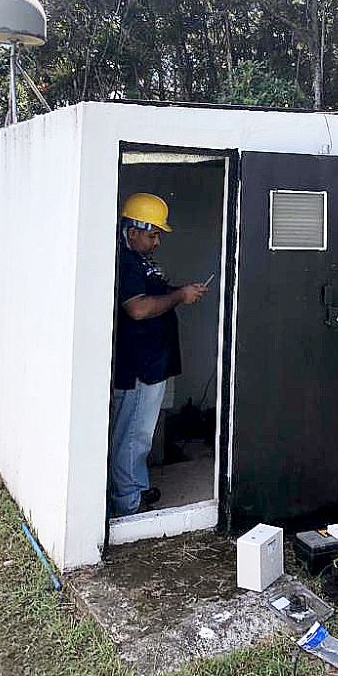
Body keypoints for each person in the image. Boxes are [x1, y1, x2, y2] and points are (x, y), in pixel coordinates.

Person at [110, 192, 208, 517]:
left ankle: (136, 487)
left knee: (141, 431)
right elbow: (137, 309)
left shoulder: (140, 260)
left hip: (154, 361)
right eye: (153, 234)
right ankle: (127, 501)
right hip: (140, 364)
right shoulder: (125, 261)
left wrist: (181, 290)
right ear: (133, 230)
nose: (156, 242)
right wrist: (180, 295)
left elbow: (154, 294)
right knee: (133, 433)